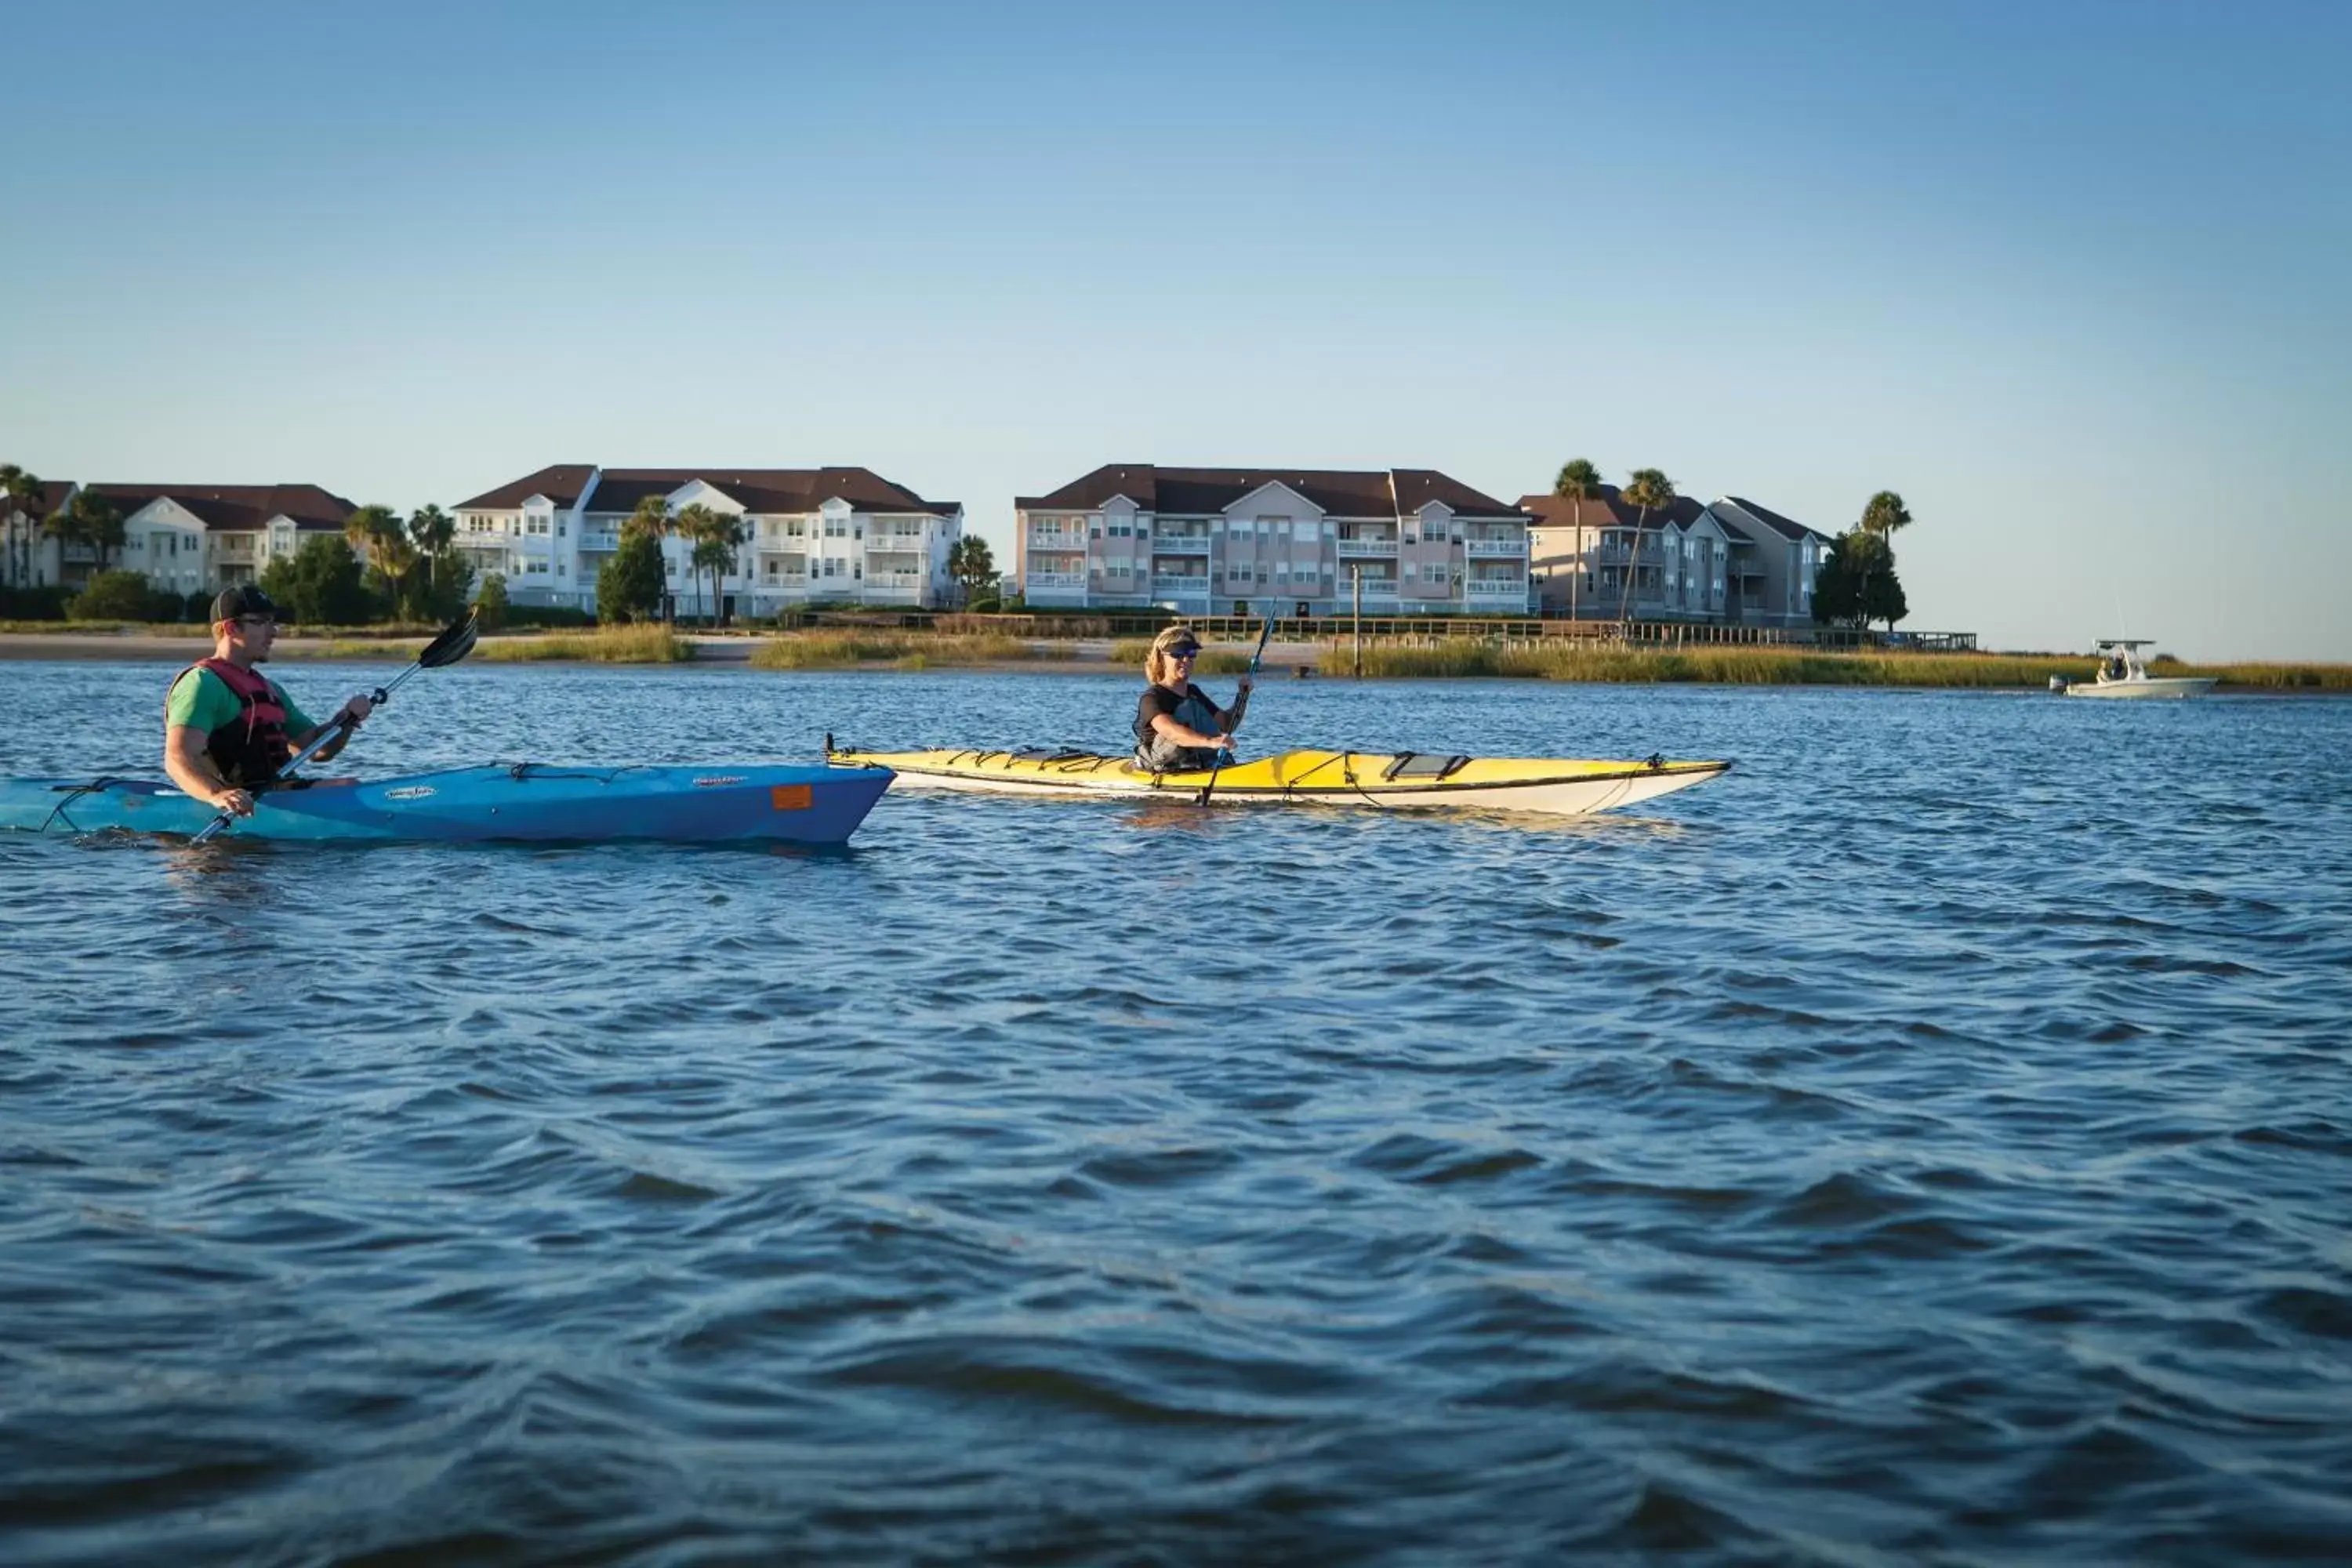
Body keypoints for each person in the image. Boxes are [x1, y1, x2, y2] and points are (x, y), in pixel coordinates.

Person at [163, 585, 375, 818]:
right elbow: (178, 757)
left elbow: (318, 749)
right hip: (235, 805)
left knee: (349, 787)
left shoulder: (271, 690)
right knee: (348, 790)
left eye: (273, 622)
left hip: (278, 794)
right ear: (231, 628)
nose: (273, 632)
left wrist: (344, 721)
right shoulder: (202, 684)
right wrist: (217, 796)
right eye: (262, 622)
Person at [1133, 625, 1250, 773]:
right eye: (1178, 654)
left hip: (1200, 767)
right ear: (1161, 658)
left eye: (1191, 653)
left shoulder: (1194, 693)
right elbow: (1173, 733)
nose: (1186, 659)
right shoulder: (1152, 698)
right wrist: (1211, 742)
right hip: (1166, 769)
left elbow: (1226, 724)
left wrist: (1243, 696)